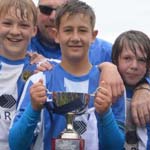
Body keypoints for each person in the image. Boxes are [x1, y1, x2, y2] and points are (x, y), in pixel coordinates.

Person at [9, 1, 125, 150]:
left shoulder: (109, 83)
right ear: (56, 35)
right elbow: (16, 145)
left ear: (93, 36)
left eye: (82, 30)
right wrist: (33, 109)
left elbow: (116, 147)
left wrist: (105, 114)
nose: (75, 37)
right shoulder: (39, 80)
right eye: (68, 30)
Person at [30, 0, 150, 126]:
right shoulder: (23, 40)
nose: (53, 16)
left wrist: (144, 87)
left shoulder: (103, 51)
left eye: (60, 10)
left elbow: (134, 66)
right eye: (46, 10)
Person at [0, 0, 37, 149]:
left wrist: (106, 68)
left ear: (34, 30)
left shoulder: (42, 69)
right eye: (7, 23)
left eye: (23, 25)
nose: (15, 31)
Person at [111, 30, 150, 149]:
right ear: (115, 60)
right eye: (127, 58)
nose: (134, 66)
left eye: (141, 60)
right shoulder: (105, 89)